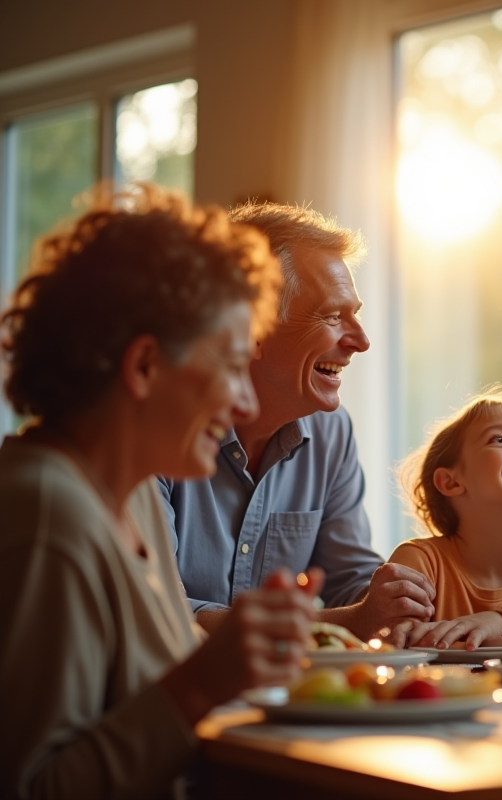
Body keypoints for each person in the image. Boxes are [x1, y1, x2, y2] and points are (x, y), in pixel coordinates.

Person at [0, 186, 321, 800]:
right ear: (144, 366)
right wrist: (204, 681)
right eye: (230, 366)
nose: (246, 402)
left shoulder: (138, 498)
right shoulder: (47, 520)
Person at [159, 202, 435, 641]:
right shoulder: (153, 432)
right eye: (331, 315)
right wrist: (353, 621)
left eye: (356, 314)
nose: (361, 342)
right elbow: (159, 612)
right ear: (254, 328)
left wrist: (400, 600)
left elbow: (352, 581)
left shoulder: (331, 431)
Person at [387, 387, 502, 649]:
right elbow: (402, 642)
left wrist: (500, 620)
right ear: (451, 481)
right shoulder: (420, 563)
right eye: (499, 440)